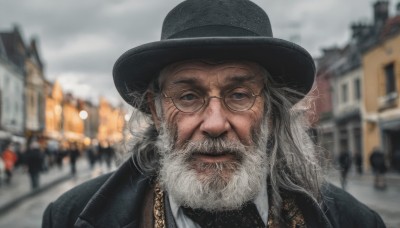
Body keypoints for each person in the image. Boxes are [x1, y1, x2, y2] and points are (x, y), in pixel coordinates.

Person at [42, 0, 386, 227]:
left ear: (269, 110)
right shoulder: (69, 217)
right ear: (157, 110)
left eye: (239, 94)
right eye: (188, 96)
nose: (216, 123)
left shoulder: (353, 221)